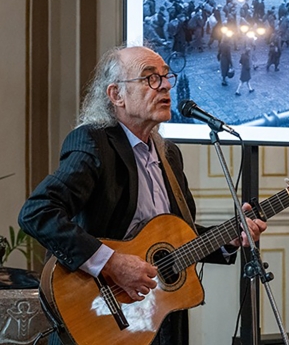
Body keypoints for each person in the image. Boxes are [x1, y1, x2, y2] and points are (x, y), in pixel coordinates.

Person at [17, 45, 267, 345]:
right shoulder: (94, 143)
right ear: (116, 95)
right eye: (150, 78)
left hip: (159, 319)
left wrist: (228, 240)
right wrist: (113, 264)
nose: (164, 85)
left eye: (166, 76)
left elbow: (178, 239)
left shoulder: (169, 154)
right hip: (98, 318)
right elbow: (37, 212)